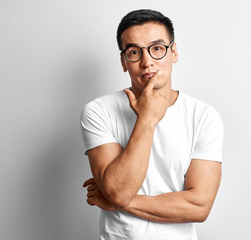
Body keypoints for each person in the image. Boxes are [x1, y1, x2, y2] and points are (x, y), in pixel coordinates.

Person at [81, 9, 224, 240]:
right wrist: (147, 117)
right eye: (134, 52)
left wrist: (119, 201)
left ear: (173, 52)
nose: (147, 62)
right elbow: (119, 190)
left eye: (157, 48)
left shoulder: (204, 116)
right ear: (123, 61)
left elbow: (199, 206)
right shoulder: (99, 111)